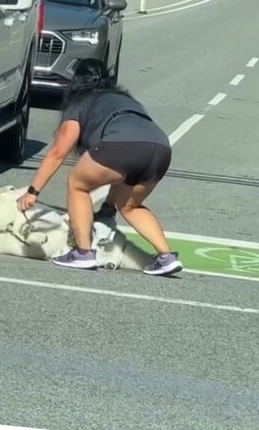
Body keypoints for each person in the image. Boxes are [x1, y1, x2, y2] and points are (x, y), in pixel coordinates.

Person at [15, 59, 183, 276]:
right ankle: (165, 257)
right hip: (160, 147)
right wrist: (108, 207)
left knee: (77, 184)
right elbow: (122, 170)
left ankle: (83, 253)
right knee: (130, 206)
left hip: (122, 145)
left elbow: (58, 152)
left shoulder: (80, 102)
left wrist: (32, 192)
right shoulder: (127, 100)